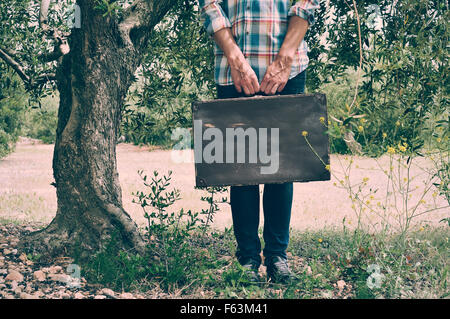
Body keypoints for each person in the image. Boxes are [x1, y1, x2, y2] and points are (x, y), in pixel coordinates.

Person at [198, 0, 319, 283]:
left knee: (282, 170)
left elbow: (306, 3)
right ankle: (248, 260)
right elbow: (211, 6)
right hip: (233, 71)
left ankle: (278, 257)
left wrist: (284, 59)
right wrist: (236, 59)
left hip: (289, 70)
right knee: (240, 172)